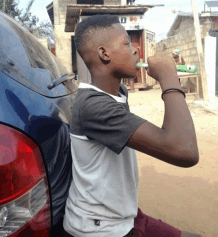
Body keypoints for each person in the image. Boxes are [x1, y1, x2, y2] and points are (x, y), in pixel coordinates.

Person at [63, 15, 201, 237]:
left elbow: (169, 139)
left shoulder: (117, 92)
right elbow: (184, 150)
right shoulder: (94, 107)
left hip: (124, 216)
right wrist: (169, 79)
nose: (136, 50)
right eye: (127, 44)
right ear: (104, 54)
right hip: (99, 229)